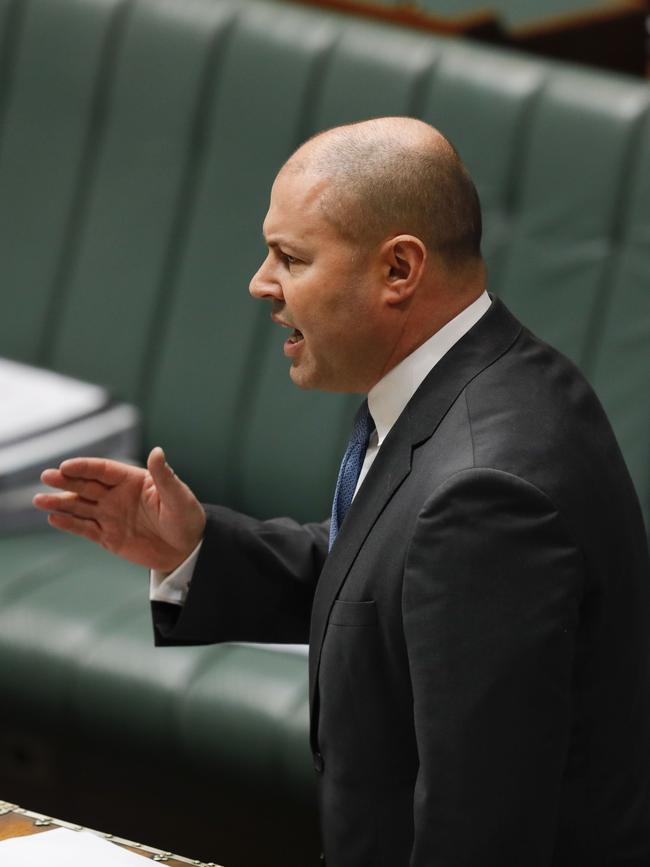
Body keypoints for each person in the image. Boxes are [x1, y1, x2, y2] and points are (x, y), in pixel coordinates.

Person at [34, 117, 650, 867]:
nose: (261, 283)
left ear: (399, 270)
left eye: (289, 257)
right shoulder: (479, 377)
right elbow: (393, 566)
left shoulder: (488, 493)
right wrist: (197, 548)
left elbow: (479, 841)